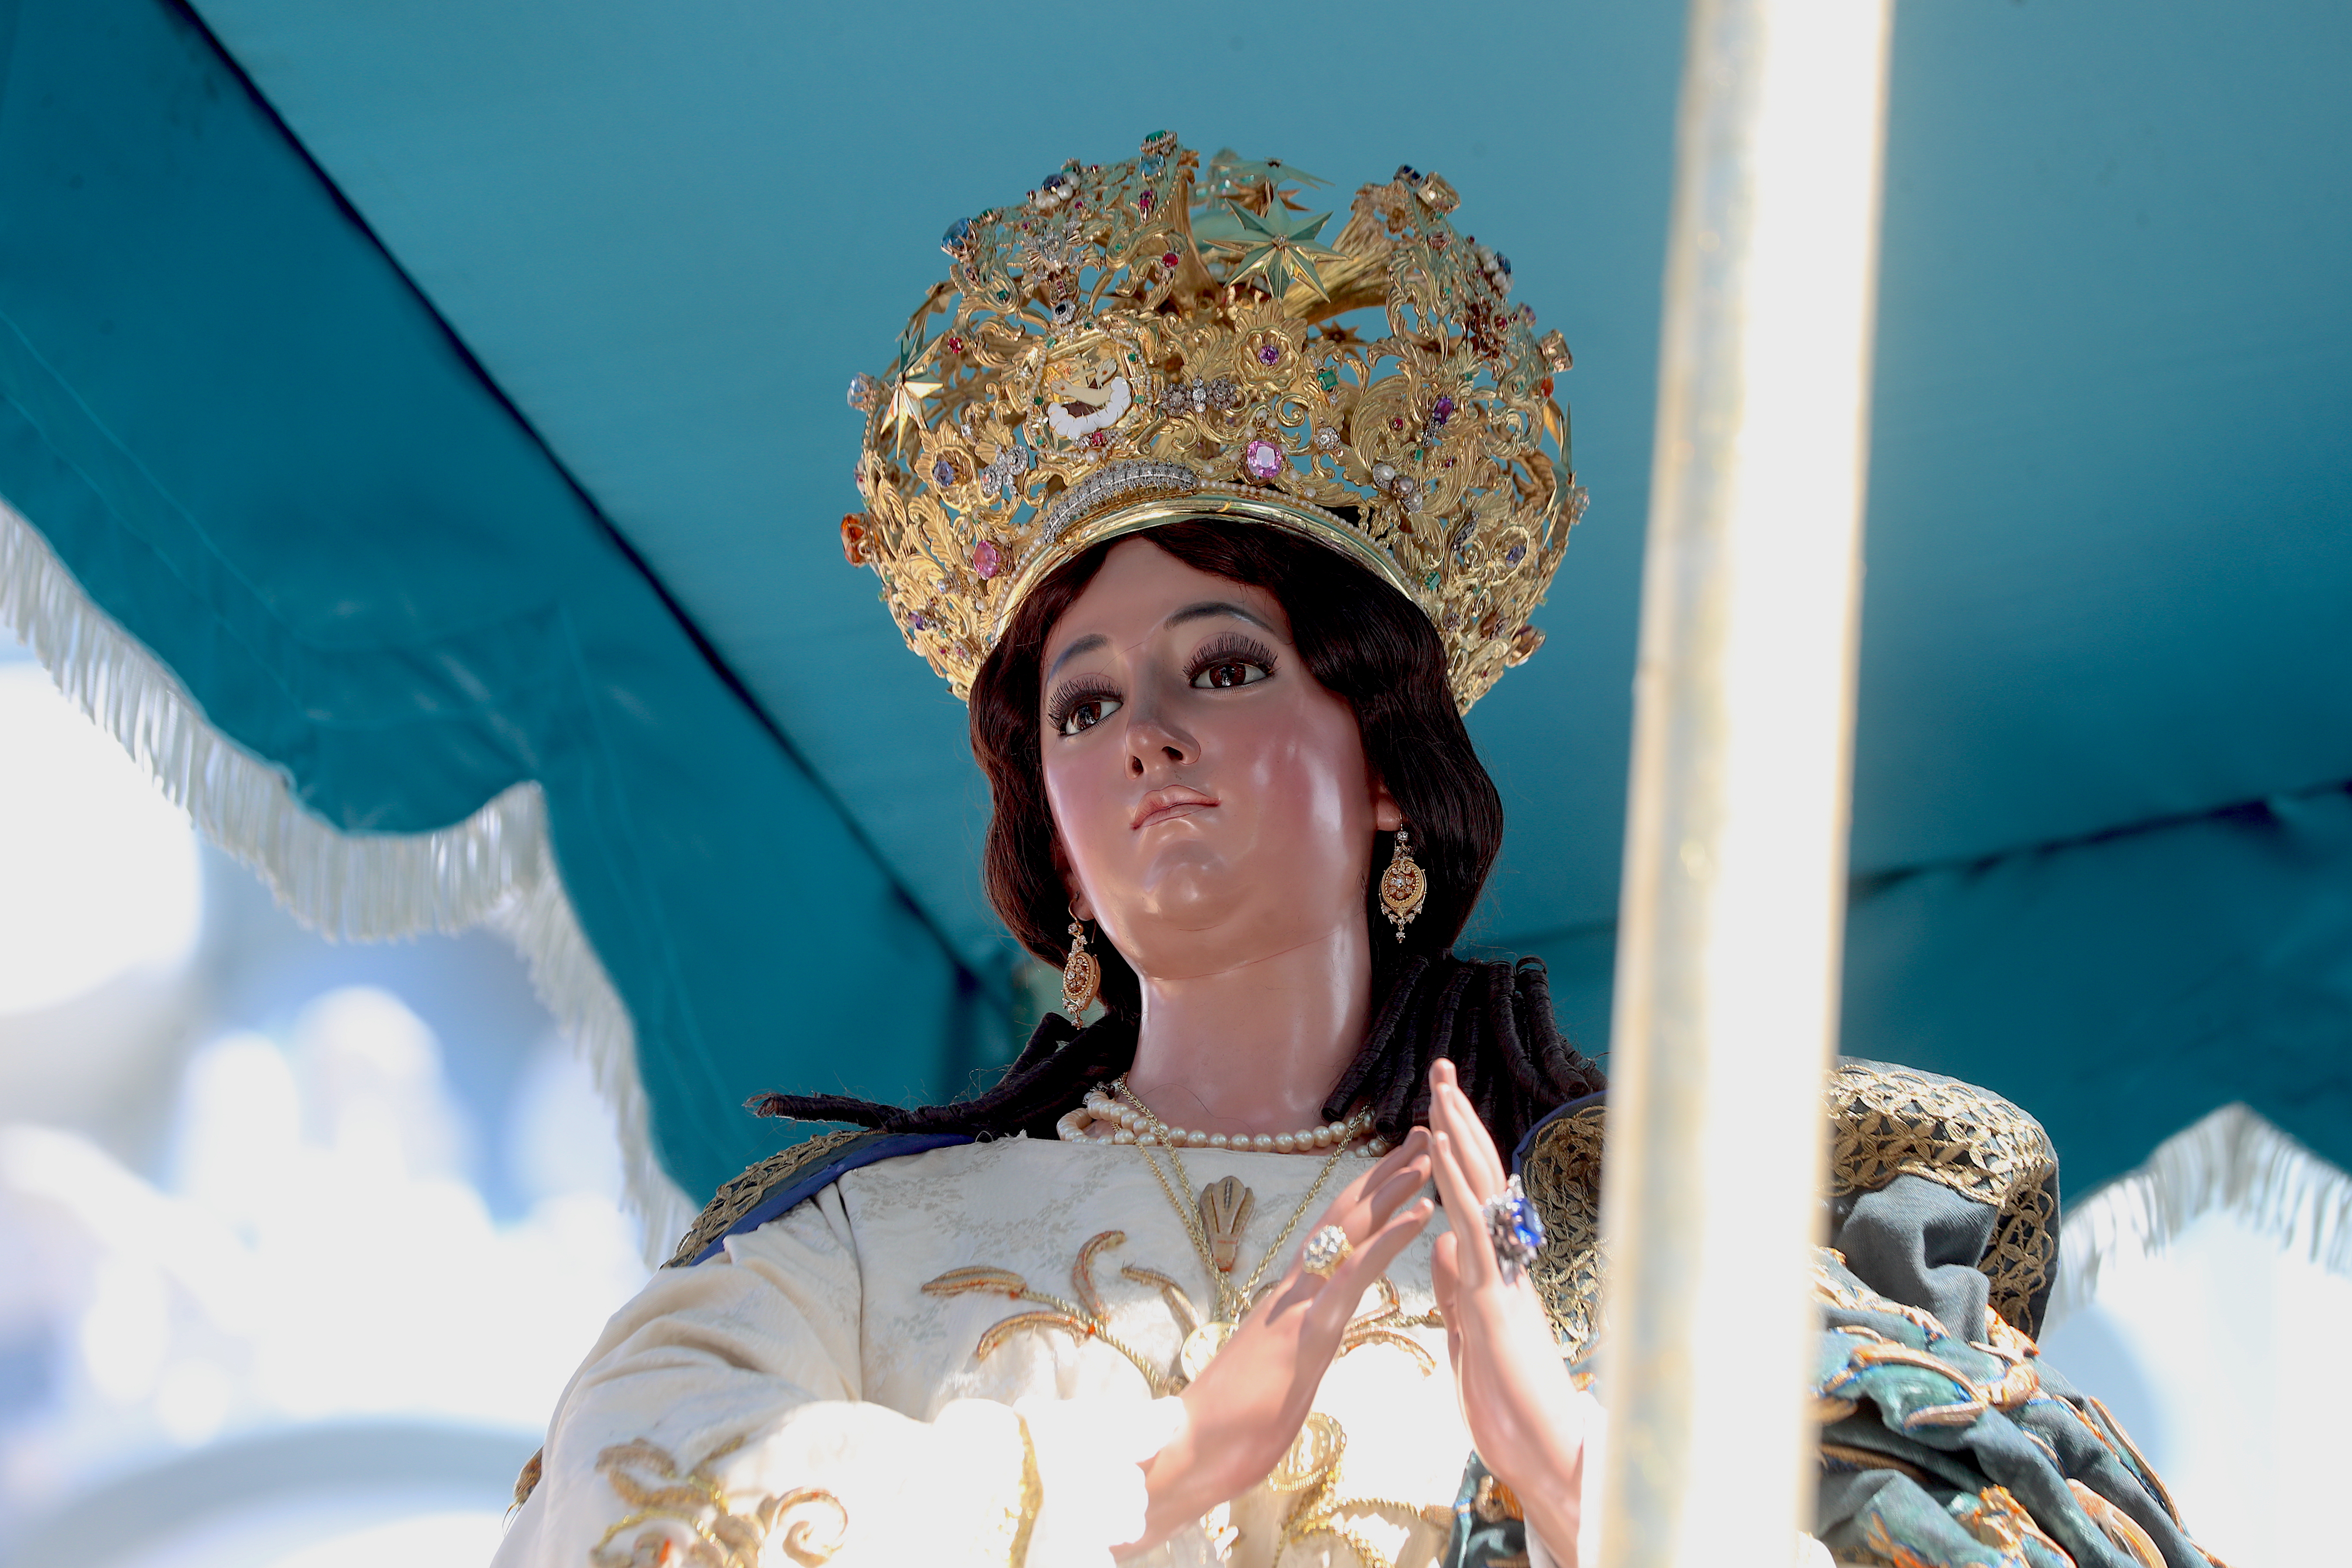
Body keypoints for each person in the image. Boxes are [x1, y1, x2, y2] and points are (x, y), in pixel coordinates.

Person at [497, 137, 2211, 1568]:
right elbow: (640, 1505)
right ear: (1057, 837)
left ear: (1384, 762)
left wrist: (1573, 1479)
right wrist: (1166, 1466)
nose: (1147, 732)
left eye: (1225, 667)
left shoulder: (1636, 1244)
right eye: (1082, 709)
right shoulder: (850, 1248)